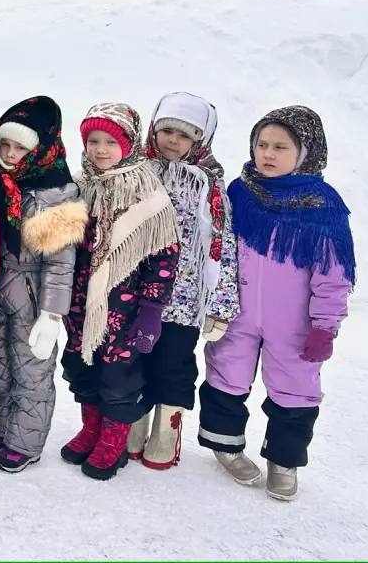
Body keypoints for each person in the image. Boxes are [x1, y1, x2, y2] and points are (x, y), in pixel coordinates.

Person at [198, 106, 354, 501]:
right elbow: (218, 247)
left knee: (295, 390)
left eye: (280, 147)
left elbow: (333, 275)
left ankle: (284, 461)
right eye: (261, 144)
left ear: (305, 152)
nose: (267, 154)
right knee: (225, 377)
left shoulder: (323, 207)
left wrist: (325, 325)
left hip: (294, 323)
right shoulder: (240, 191)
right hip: (239, 312)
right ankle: (225, 444)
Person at [60, 103, 179, 481]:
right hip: (81, 302)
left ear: (128, 144)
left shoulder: (148, 194)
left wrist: (151, 311)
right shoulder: (81, 186)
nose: (100, 149)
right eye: (93, 140)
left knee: (118, 374)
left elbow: (164, 256)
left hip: (124, 307)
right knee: (82, 366)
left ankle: (114, 439)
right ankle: (91, 427)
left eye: (110, 141)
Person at [132, 93, 240, 469]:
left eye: (185, 135)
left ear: (201, 141)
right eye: (167, 131)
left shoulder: (208, 184)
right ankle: (133, 422)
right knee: (133, 360)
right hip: (136, 291)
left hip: (183, 300)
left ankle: (166, 430)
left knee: (174, 364)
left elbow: (222, 243)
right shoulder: (138, 171)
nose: (173, 141)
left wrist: (221, 306)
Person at [0, 96, 85, 474]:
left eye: (20, 147)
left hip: (32, 298)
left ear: (41, 148)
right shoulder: (0, 181)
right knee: (1, 366)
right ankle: (3, 429)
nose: (10, 154)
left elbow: (61, 264)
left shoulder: (58, 193)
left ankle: (25, 443)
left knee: (32, 372)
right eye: (4, 145)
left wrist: (52, 314)